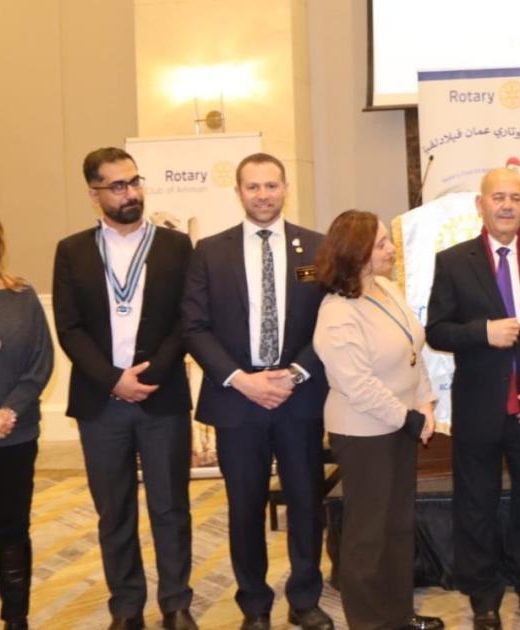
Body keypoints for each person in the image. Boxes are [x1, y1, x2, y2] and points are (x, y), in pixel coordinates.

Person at [181, 153, 332, 630]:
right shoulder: (209, 251)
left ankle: (305, 600)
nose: (263, 195)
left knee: (306, 503)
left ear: (285, 188)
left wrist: (296, 373)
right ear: (239, 192)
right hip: (237, 400)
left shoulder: (318, 247)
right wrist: (240, 379)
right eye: (253, 187)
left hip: (298, 398)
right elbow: (194, 325)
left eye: (271, 185)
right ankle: (255, 605)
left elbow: (332, 321)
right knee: (244, 508)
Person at [426, 167, 520, 630]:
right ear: (481, 204)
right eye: (498, 197)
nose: (508, 205)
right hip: (479, 409)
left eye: (516, 197)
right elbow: (437, 331)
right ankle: (484, 597)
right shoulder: (454, 261)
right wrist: (483, 332)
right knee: (476, 504)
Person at [52, 147, 197, 630]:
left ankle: (176, 603)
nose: (130, 193)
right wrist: (114, 379)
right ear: (94, 194)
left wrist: (147, 377)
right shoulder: (72, 250)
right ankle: (127, 606)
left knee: (170, 506)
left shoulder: (176, 246)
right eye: (117, 186)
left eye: (134, 182)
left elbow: (186, 320)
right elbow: (69, 328)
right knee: (114, 510)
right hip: (101, 402)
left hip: (162, 397)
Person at [313, 210, 444, 630]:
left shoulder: (386, 287)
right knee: (368, 535)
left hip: (401, 424)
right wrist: (406, 417)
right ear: (358, 253)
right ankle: (370, 622)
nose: (391, 250)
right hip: (364, 432)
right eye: (382, 243)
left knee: (398, 527)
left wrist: (424, 402)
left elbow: (412, 349)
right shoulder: (337, 311)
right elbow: (356, 383)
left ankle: (398, 615)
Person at [0, 207, 55, 630]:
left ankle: (16, 617)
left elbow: (41, 361)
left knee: (13, 527)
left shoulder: (22, 295)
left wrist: (7, 412)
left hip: (15, 434)